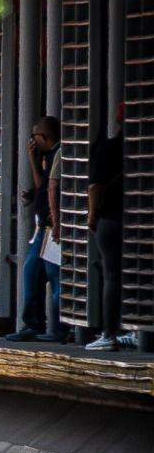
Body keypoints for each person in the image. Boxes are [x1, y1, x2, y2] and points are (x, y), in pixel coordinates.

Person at [8, 116, 64, 342]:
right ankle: (34, 324)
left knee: (56, 276)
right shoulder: (47, 157)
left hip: (53, 228)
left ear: (45, 136)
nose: (32, 140)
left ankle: (59, 329)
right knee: (31, 271)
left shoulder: (60, 154)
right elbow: (42, 185)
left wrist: (58, 221)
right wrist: (32, 158)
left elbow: (53, 187)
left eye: (35, 136)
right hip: (42, 229)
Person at [87, 106, 125, 351]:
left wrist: (92, 216)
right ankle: (136, 329)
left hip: (110, 218)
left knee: (112, 275)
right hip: (141, 221)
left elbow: (94, 187)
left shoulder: (110, 147)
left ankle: (109, 334)